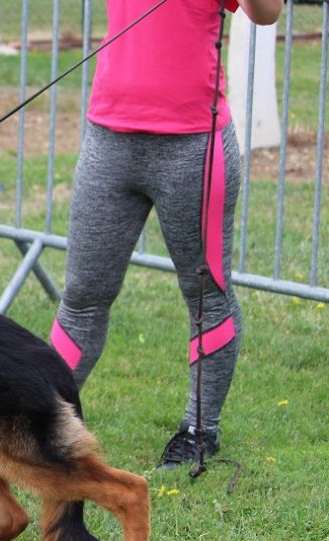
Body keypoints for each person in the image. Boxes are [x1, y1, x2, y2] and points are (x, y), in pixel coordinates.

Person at [49, 0, 283, 469]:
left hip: (193, 145)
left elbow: (267, 13)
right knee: (82, 296)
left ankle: (199, 432)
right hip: (108, 137)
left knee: (207, 296)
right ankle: (38, 418)